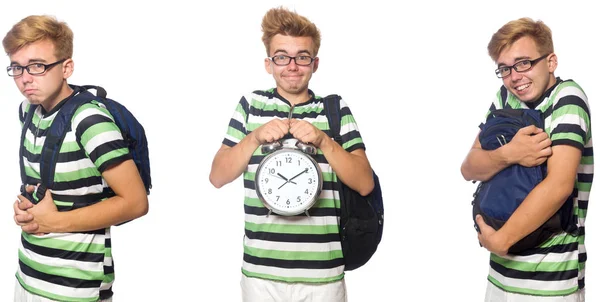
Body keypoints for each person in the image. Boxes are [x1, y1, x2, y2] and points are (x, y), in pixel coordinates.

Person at [209, 7, 374, 302]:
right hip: (261, 273)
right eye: (282, 57)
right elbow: (218, 176)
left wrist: (324, 141)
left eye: (302, 57)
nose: (292, 66)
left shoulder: (334, 111)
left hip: (322, 275)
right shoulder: (250, 105)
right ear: (269, 63)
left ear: (315, 63)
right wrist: (255, 137)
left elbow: (364, 184)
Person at [4, 15, 148, 302]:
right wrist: (28, 211)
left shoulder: (90, 120)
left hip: (75, 287)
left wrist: (52, 222)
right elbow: (52, 190)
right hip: (28, 274)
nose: (25, 78)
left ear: (66, 67)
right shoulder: (28, 111)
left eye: (38, 66)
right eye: (17, 67)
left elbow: (136, 202)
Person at [461, 18, 592, 301]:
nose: (514, 76)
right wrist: (510, 153)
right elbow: (469, 167)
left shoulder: (567, 98)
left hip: (551, 283)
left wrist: (500, 240)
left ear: (551, 61)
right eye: (505, 68)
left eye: (524, 63)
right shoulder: (504, 99)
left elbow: (558, 187)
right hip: (499, 277)